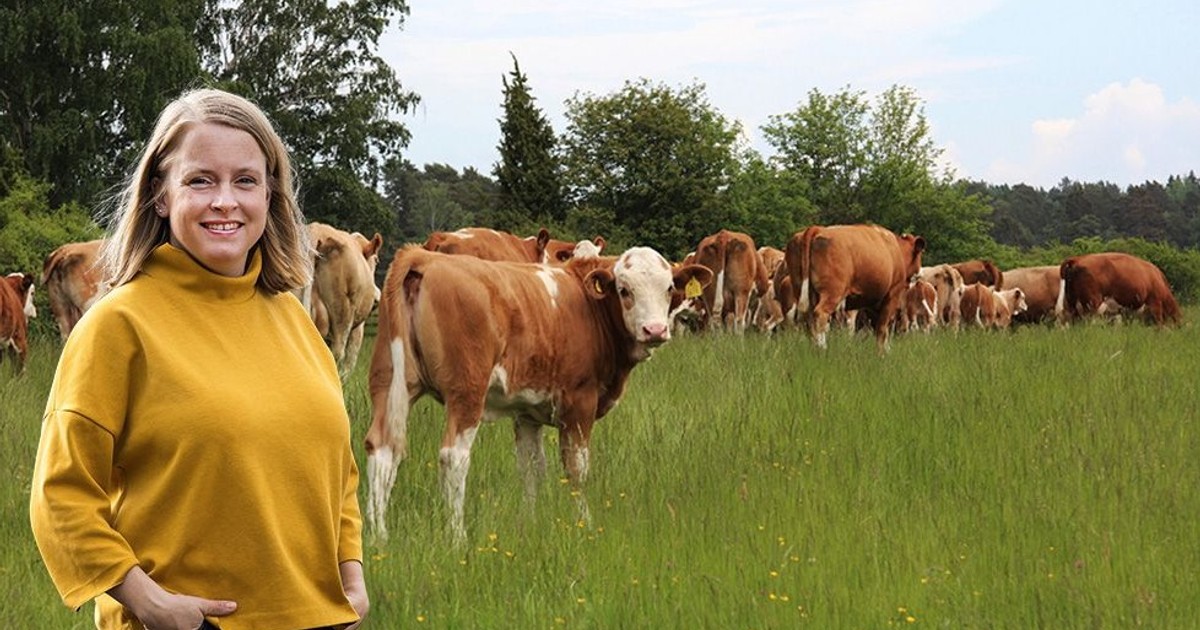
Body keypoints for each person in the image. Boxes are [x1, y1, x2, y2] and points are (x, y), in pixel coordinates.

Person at [29, 88, 369, 630]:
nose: (225, 201)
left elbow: (338, 471)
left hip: (318, 619)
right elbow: (61, 493)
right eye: (200, 180)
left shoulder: (294, 321)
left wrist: (350, 573)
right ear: (161, 195)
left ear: (270, 194)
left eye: (245, 180)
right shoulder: (118, 325)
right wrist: (147, 602)